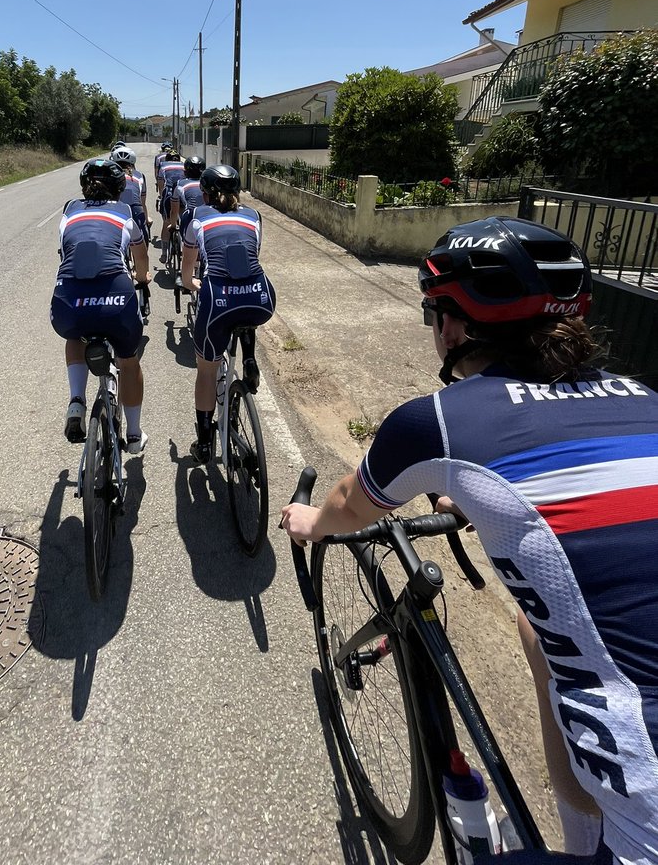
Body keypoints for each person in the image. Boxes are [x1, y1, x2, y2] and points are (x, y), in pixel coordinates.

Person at [281, 216, 658, 864]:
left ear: (452, 326)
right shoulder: (646, 400)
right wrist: (487, 493)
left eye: (435, 314)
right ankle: (585, 835)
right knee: (536, 628)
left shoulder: (437, 424)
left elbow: (350, 505)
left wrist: (308, 523)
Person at [49, 158, 151, 453]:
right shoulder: (125, 213)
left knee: (74, 336)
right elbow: (141, 259)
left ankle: (77, 401)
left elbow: (65, 254)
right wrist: (142, 278)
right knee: (129, 362)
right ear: (120, 189)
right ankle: (133, 435)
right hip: (116, 300)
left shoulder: (69, 212)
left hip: (69, 301)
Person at [181, 164, 276, 464]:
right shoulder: (253, 216)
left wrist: (193, 283)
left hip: (218, 303)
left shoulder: (195, 216)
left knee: (207, 371)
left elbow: (187, 273)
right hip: (261, 299)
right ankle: (249, 356)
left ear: (205, 194)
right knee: (245, 313)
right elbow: (251, 254)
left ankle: (205, 442)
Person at [111, 146, 149, 245]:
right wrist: (146, 219)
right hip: (135, 208)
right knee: (143, 237)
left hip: (115, 207)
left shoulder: (110, 174)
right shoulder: (140, 175)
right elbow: (142, 202)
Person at [157, 149, 185, 264]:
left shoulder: (163, 165)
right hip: (183, 193)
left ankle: (164, 253)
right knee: (184, 220)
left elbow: (160, 183)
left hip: (169, 194)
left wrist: (160, 195)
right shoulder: (184, 166)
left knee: (167, 221)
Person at [170, 155, 206, 235]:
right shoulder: (208, 183)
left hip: (191, 216)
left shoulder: (179, 184)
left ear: (185, 171)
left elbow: (174, 211)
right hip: (209, 215)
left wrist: (173, 225)